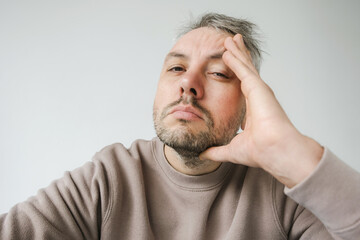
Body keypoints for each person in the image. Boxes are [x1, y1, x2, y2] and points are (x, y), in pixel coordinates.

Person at [1, 13, 359, 240]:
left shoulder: (283, 192)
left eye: (219, 73)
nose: (188, 83)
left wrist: (290, 153)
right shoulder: (108, 178)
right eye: (175, 68)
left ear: (250, 102)